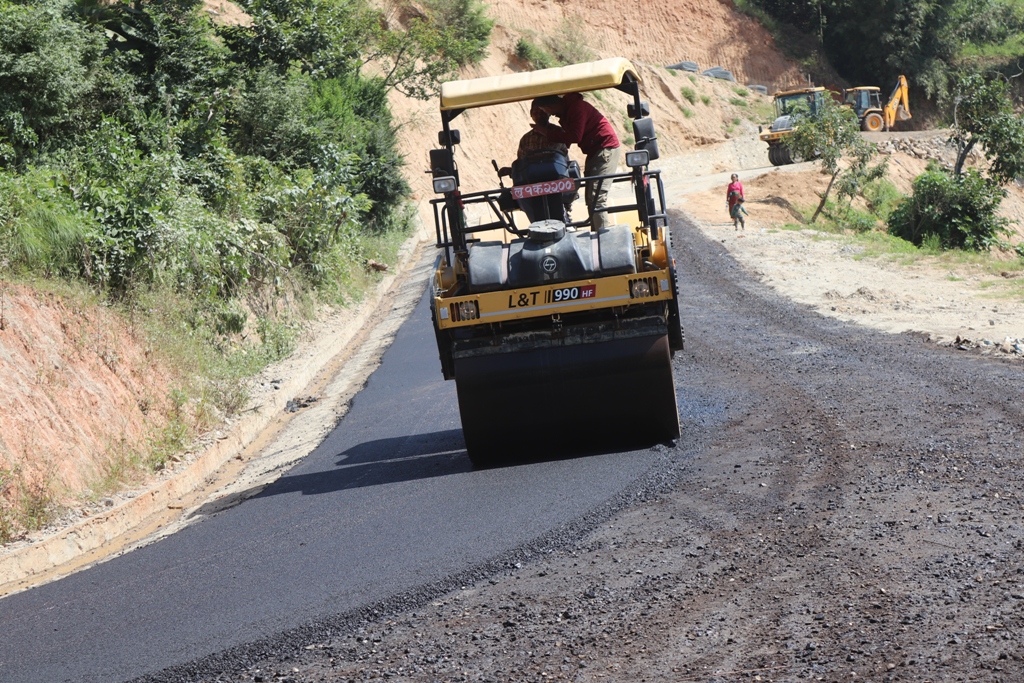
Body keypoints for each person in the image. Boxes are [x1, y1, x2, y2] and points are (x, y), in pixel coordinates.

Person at [530, 93, 621, 229]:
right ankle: (596, 234)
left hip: (604, 149)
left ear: (549, 107)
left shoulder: (576, 109)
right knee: (591, 198)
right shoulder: (567, 112)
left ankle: (603, 236)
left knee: (597, 197)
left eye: (544, 111)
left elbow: (575, 136)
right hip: (594, 151)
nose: (547, 115)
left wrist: (547, 133)